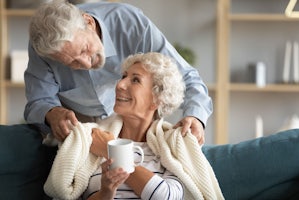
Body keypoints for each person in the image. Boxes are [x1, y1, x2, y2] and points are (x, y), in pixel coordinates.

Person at [24, 0, 212, 144]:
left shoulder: (130, 23)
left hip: (132, 119)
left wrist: (195, 116)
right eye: (70, 63)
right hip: (79, 125)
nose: (85, 63)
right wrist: (52, 112)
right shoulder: (42, 49)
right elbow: (38, 101)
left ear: (88, 22)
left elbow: (185, 77)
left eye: (84, 50)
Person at [43, 52, 224, 200]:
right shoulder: (90, 138)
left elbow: (167, 197)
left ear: (157, 99)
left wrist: (111, 151)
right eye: (123, 77)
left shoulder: (171, 146)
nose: (120, 85)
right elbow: (68, 194)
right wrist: (106, 192)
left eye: (135, 80)